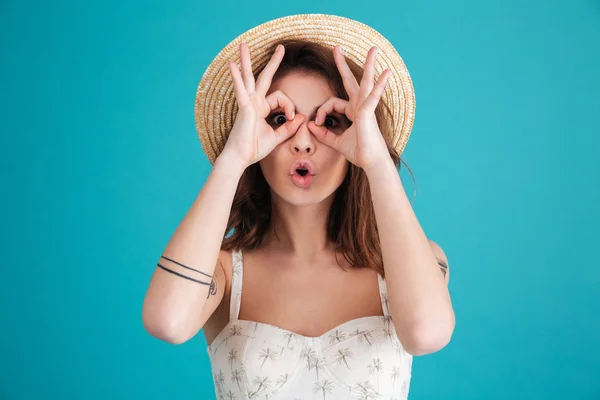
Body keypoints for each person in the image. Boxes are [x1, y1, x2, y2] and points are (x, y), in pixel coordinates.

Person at [142, 14, 455, 400]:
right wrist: (234, 156)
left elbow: (426, 334)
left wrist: (375, 163)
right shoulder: (223, 272)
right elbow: (166, 321)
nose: (303, 143)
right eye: (279, 119)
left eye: (332, 120)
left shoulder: (414, 265)